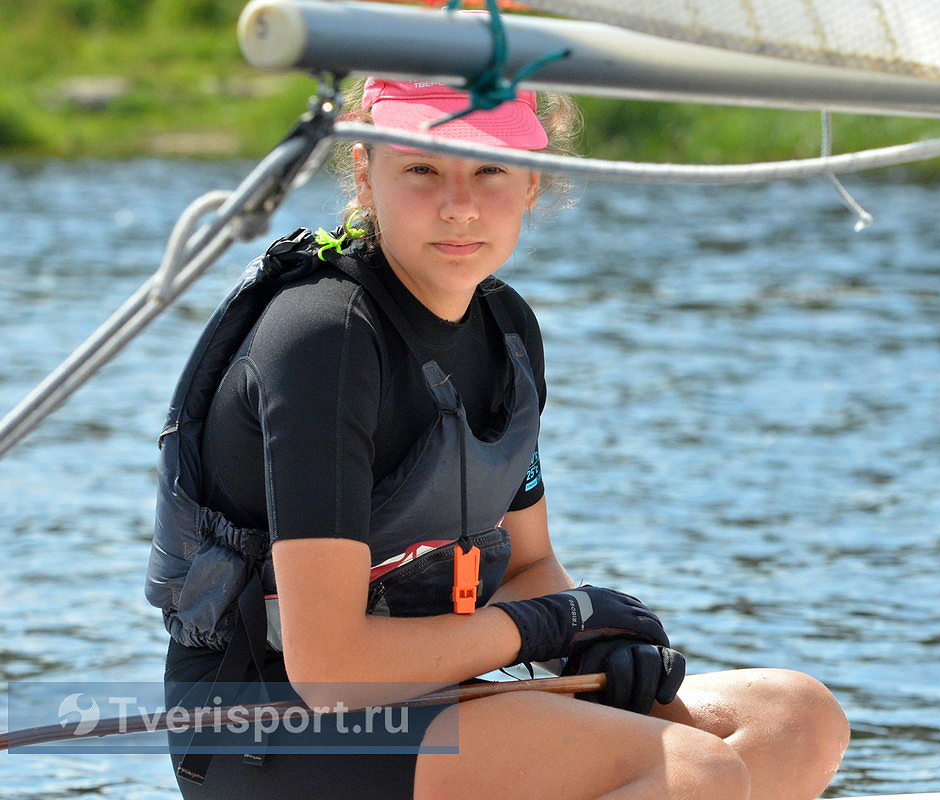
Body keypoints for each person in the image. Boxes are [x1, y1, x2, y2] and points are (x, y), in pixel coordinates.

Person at [144, 74, 849, 800]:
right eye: (422, 169)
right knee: (695, 772)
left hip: (436, 698)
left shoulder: (508, 330)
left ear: (532, 180)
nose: (459, 205)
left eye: (490, 168)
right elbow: (329, 670)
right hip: (271, 727)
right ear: (365, 170)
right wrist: (548, 624)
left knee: (797, 721)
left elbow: (525, 565)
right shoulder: (325, 338)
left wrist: (593, 640)